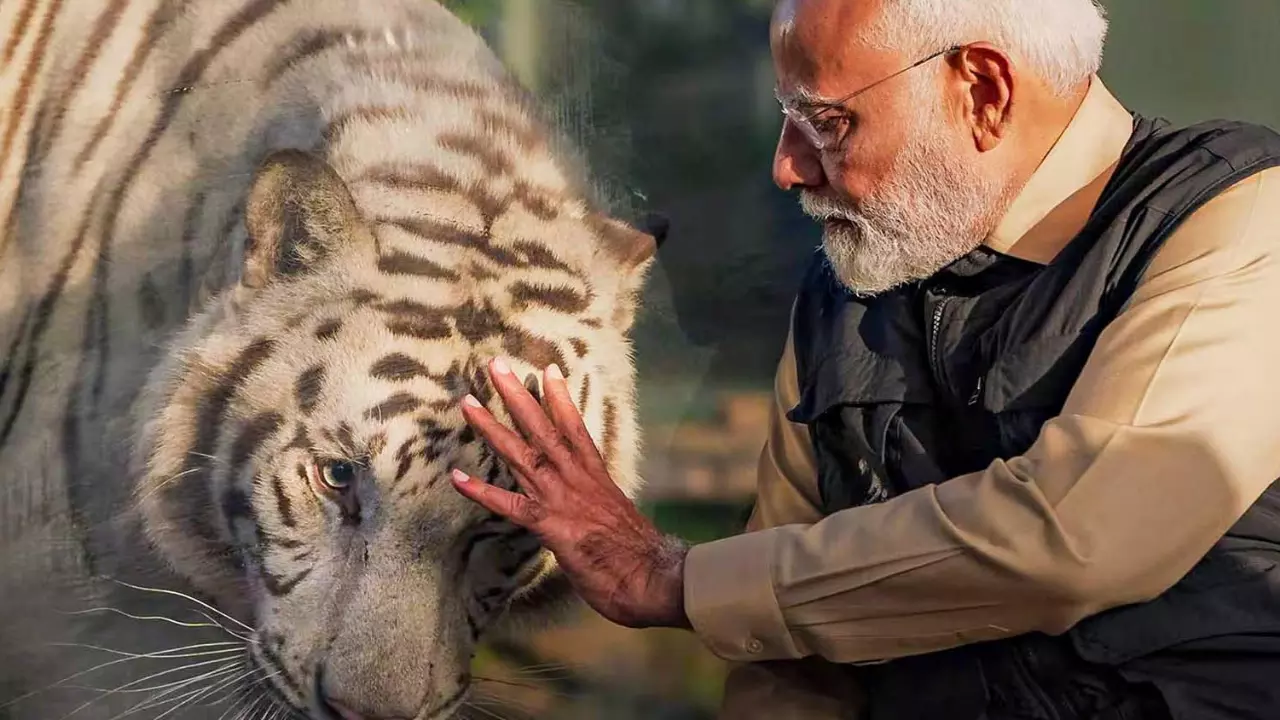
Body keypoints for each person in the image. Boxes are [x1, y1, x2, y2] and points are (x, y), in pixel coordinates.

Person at [450, 0, 1280, 717]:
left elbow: (1079, 536)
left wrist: (674, 581)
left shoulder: (1240, 215)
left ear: (983, 93)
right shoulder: (848, 285)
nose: (786, 167)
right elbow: (784, 657)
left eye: (827, 123)